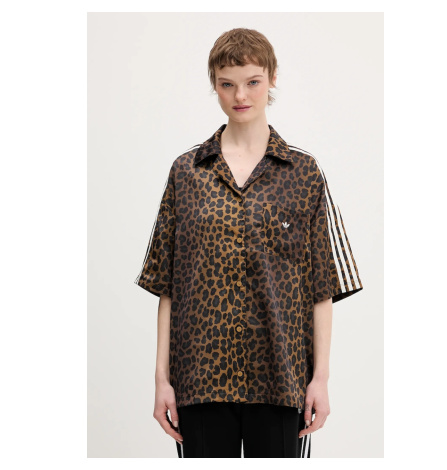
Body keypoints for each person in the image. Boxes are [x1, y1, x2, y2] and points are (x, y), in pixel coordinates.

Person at [134, 28, 363, 458]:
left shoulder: (303, 173)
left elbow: (321, 289)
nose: (240, 95)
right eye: (227, 84)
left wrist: (321, 378)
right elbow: (167, 286)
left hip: (282, 379)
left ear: (272, 78)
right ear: (214, 84)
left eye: (252, 81)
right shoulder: (187, 172)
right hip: (199, 379)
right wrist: (162, 379)